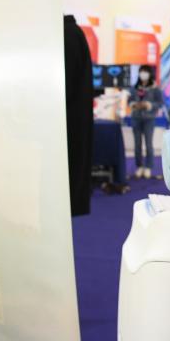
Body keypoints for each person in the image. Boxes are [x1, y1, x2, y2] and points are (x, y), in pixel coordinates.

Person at [63, 15, 94, 215]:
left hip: (68, 123)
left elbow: (65, 85)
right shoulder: (72, 33)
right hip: (74, 121)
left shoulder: (67, 34)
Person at [129, 65, 163, 179]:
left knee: (149, 144)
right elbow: (129, 100)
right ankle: (139, 166)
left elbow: (160, 103)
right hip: (136, 118)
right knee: (137, 145)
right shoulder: (134, 87)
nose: (143, 74)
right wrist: (134, 104)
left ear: (150, 74)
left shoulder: (155, 88)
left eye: (145, 72)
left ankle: (148, 167)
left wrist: (149, 105)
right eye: (141, 71)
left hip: (149, 119)